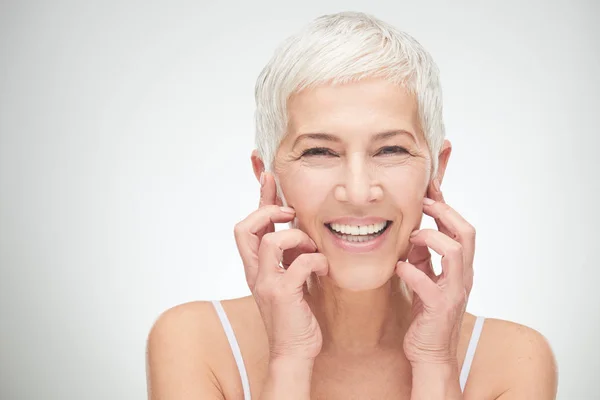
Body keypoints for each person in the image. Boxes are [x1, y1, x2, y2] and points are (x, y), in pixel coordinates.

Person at [145, 11, 558, 399]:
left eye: (391, 149)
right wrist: (288, 359)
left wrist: (437, 364)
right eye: (319, 153)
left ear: (437, 169)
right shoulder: (193, 342)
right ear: (267, 175)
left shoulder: (514, 360)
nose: (359, 192)